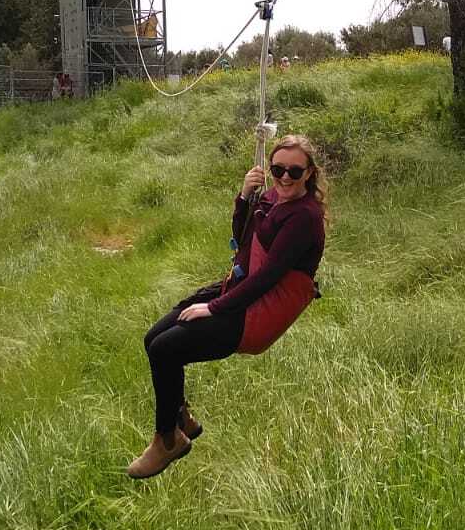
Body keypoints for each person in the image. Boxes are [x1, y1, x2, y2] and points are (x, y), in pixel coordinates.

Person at [128, 134, 328, 478]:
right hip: (240, 290)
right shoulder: (272, 197)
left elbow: (269, 276)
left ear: (309, 173)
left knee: (166, 349)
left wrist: (215, 308)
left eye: (294, 172)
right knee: (153, 337)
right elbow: (244, 237)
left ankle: (167, 441)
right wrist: (244, 196)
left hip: (258, 313)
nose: (284, 177)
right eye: (277, 168)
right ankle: (181, 420)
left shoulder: (304, 217)